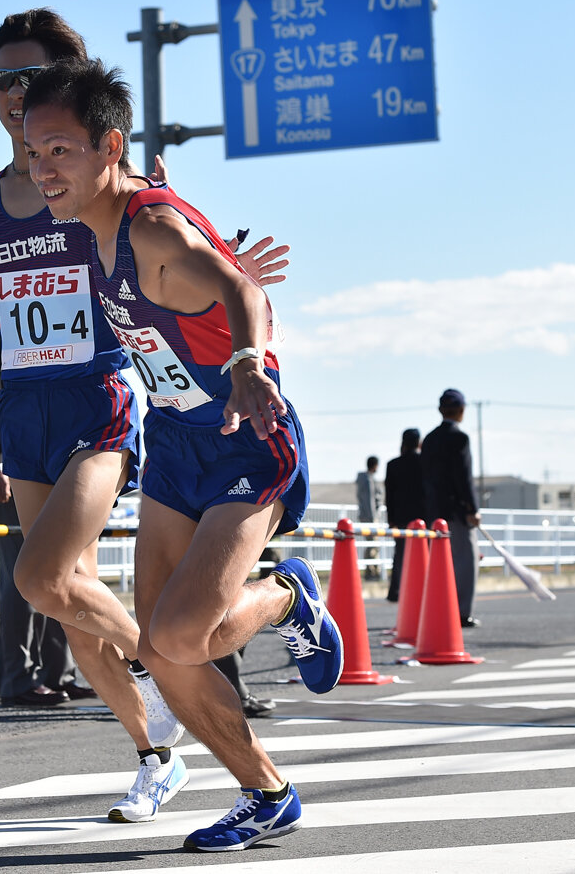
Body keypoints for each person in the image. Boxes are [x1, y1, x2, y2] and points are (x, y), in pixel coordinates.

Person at [0, 10, 291, 824]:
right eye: (1, 81)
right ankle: (155, 756)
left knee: (46, 577)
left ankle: (160, 665)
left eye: (31, 80)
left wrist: (228, 274)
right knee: (71, 598)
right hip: (23, 407)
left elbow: (164, 245)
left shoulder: (96, 185)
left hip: (99, 400)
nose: (16, 97)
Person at [22, 57, 343, 852]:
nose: (43, 170)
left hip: (242, 432)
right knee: (162, 654)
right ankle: (267, 793)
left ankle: (286, 595)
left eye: (60, 151)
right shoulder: (96, 228)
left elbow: (247, 297)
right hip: (172, 444)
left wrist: (245, 364)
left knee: (179, 637)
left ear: (109, 147)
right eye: (34, 155)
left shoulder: (150, 230)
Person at [0, 306, 77, 707]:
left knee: (52, 570)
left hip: (49, 464)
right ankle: (18, 678)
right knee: (23, 575)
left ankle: (52, 672)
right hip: (9, 469)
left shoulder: (61, 309)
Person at [420, 389, 480, 627]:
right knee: (465, 561)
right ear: (462, 410)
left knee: (439, 565)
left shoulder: (430, 439)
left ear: (440, 410)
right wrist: (472, 508)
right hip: (457, 511)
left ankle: (441, 610)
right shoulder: (460, 439)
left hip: (433, 511)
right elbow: (464, 478)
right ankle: (462, 612)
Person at [383, 428, 427, 602]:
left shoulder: (393, 464)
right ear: (419, 442)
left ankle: (395, 591)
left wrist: (391, 519)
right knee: (424, 555)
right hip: (423, 517)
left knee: (400, 556)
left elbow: (389, 495)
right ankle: (422, 590)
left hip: (400, 517)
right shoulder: (426, 462)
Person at [355, 455, 383, 524]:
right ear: (375, 465)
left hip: (365, 515)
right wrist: (373, 518)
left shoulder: (364, 479)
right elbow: (370, 499)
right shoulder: (368, 481)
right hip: (370, 517)